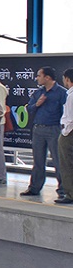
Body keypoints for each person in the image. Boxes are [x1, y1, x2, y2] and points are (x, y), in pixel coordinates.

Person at [21, 67, 66, 199]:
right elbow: (29, 108)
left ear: (47, 77)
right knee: (38, 160)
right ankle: (34, 187)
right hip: (38, 129)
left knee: (58, 161)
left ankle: (64, 190)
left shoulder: (61, 92)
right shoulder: (38, 93)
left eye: (39, 76)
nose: (37, 78)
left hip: (54, 129)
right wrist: (37, 104)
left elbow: (67, 111)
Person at [58, 69, 73, 205]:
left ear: (67, 79)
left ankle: (70, 194)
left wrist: (65, 132)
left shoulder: (71, 95)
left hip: (69, 133)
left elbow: (70, 118)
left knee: (67, 163)